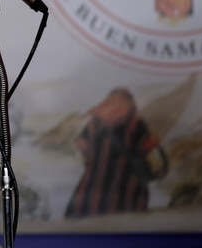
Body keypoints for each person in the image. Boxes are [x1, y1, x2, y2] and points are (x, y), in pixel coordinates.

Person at [65, 87, 169, 218]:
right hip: (124, 180)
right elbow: (144, 149)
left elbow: (82, 147)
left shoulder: (94, 124)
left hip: (99, 178)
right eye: (113, 102)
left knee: (94, 213)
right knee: (124, 216)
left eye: (119, 102)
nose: (116, 107)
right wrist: (151, 143)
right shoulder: (134, 124)